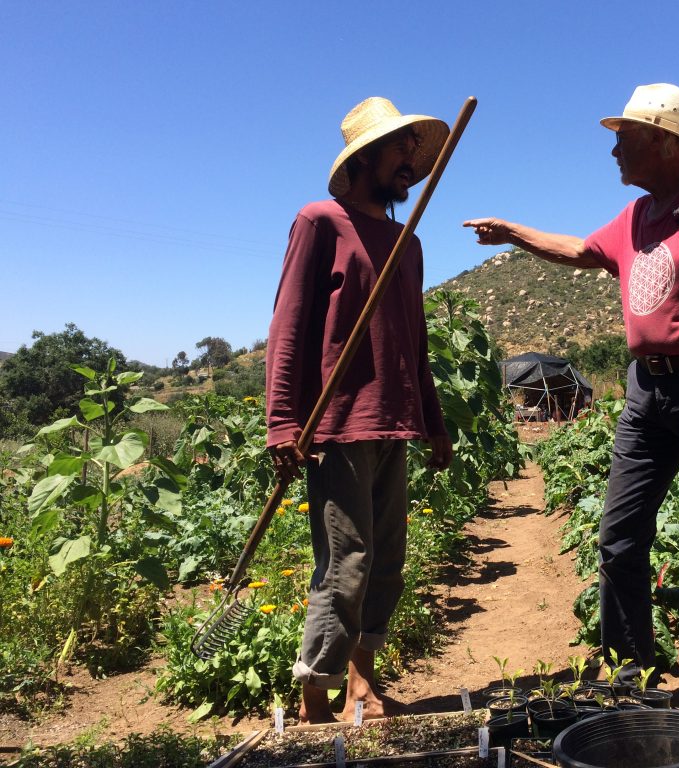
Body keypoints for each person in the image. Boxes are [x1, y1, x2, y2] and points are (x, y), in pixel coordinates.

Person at [464, 83, 679, 711]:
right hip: (646, 389)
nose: (614, 150)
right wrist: (514, 232)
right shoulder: (635, 217)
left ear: (668, 142)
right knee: (619, 536)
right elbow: (577, 249)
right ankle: (632, 677)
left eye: (625, 137)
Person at [266, 96, 453, 724]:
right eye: (398, 149)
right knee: (345, 564)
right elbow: (289, 325)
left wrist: (434, 420)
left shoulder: (408, 241)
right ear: (363, 158)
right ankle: (314, 698)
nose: (409, 162)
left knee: (387, 564)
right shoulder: (321, 221)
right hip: (340, 423)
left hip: (395, 419)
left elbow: (414, 340)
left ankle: (361, 687)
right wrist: (284, 423)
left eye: (412, 151)